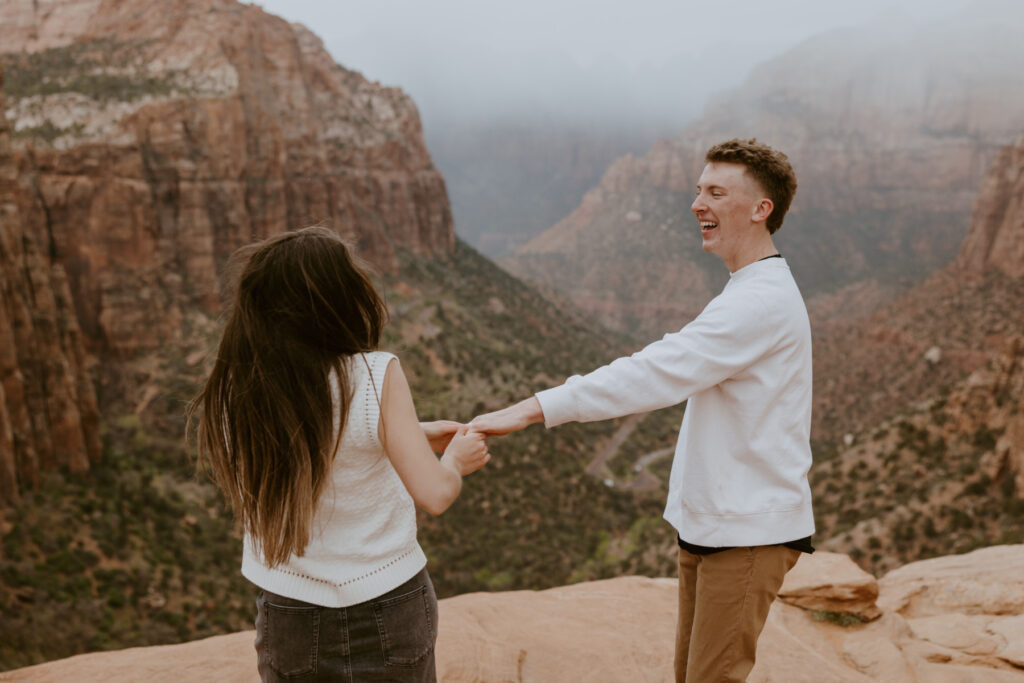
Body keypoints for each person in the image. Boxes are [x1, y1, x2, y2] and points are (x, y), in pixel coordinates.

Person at [471, 138, 814, 682]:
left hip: (746, 534)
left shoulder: (759, 301)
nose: (698, 203)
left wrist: (533, 409)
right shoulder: (748, 288)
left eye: (716, 192)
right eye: (698, 190)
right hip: (713, 528)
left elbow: (653, 372)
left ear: (760, 209)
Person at [188, 226, 487, 682]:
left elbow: (315, 439)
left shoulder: (237, 388)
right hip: (391, 601)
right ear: (338, 299)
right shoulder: (375, 373)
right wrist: (457, 459)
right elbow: (436, 494)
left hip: (291, 610)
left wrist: (406, 435)